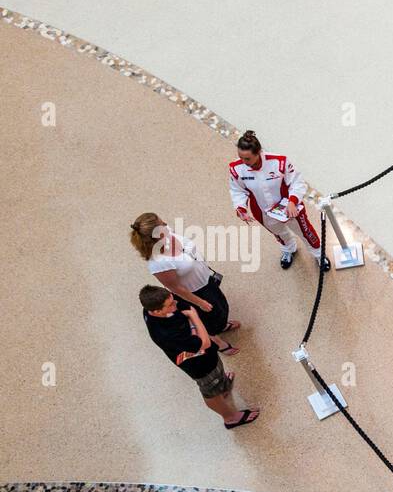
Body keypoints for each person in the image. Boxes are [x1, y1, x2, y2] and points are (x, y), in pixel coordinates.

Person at [139, 285, 259, 429]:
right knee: (210, 392)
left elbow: (179, 303)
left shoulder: (153, 306)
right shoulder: (166, 335)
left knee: (218, 377)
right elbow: (205, 343)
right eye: (170, 305)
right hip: (200, 366)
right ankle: (230, 418)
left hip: (207, 357)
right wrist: (193, 315)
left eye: (172, 300)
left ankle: (223, 388)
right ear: (157, 311)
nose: (175, 304)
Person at [227, 129, 330, 271]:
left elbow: (297, 182)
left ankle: (319, 255)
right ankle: (289, 249)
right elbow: (237, 190)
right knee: (279, 233)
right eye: (240, 157)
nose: (244, 162)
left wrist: (292, 202)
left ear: (258, 153)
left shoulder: (279, 162)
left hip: (290, 208)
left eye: (248, 159)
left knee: (306, 232)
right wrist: (240, 208)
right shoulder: (236, 169)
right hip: (263, 213)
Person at [130, 212, 239, 343]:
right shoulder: (158, 263)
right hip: (196, 291)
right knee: (209, 318)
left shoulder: (167, 232)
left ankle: (221, 325)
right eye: (161, 224)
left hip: (206, 279)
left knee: (221, 306)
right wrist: (200, 302)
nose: (165, 224)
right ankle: (217, 340)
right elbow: (175, 288)